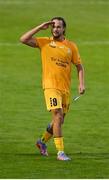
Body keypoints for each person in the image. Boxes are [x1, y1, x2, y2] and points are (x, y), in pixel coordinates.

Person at [20, 17, 85, 161]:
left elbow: (79, 66)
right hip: (50, 86)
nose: (55, 29)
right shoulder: (45, 42)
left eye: (58, 27)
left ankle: (41, 142)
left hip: (65, 89)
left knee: (58, 121)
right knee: (57, 115)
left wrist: (81, 84)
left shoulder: (71, 46)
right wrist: (39, 26)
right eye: (53, 26)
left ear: (64, 29)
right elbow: (23, 39)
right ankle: (60, 152)